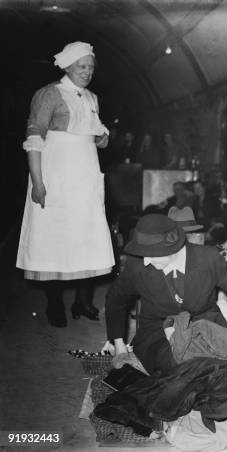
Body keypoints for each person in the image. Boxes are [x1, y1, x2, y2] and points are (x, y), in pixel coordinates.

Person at [17, 41, 115, 328]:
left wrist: (101, 137)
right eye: (81, 67)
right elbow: (34, 138)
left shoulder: (92, 98)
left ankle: (82, 302)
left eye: (91, 67)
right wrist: (38, 182)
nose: (87, 72)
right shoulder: (49, 94)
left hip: (85, 176)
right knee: (56, 240)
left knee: (85, 238)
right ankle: (54, 305)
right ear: (68, 67)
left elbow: (96, 134)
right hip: (56, 175)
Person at [105, 214, 227, 374]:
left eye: (152, 254)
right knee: (187, 368)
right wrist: (119, 347)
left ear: (172, 248)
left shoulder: (208, 258)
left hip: (208, 326)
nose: (146, 261)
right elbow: (115, 299)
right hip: (158, 333)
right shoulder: (137, 264)